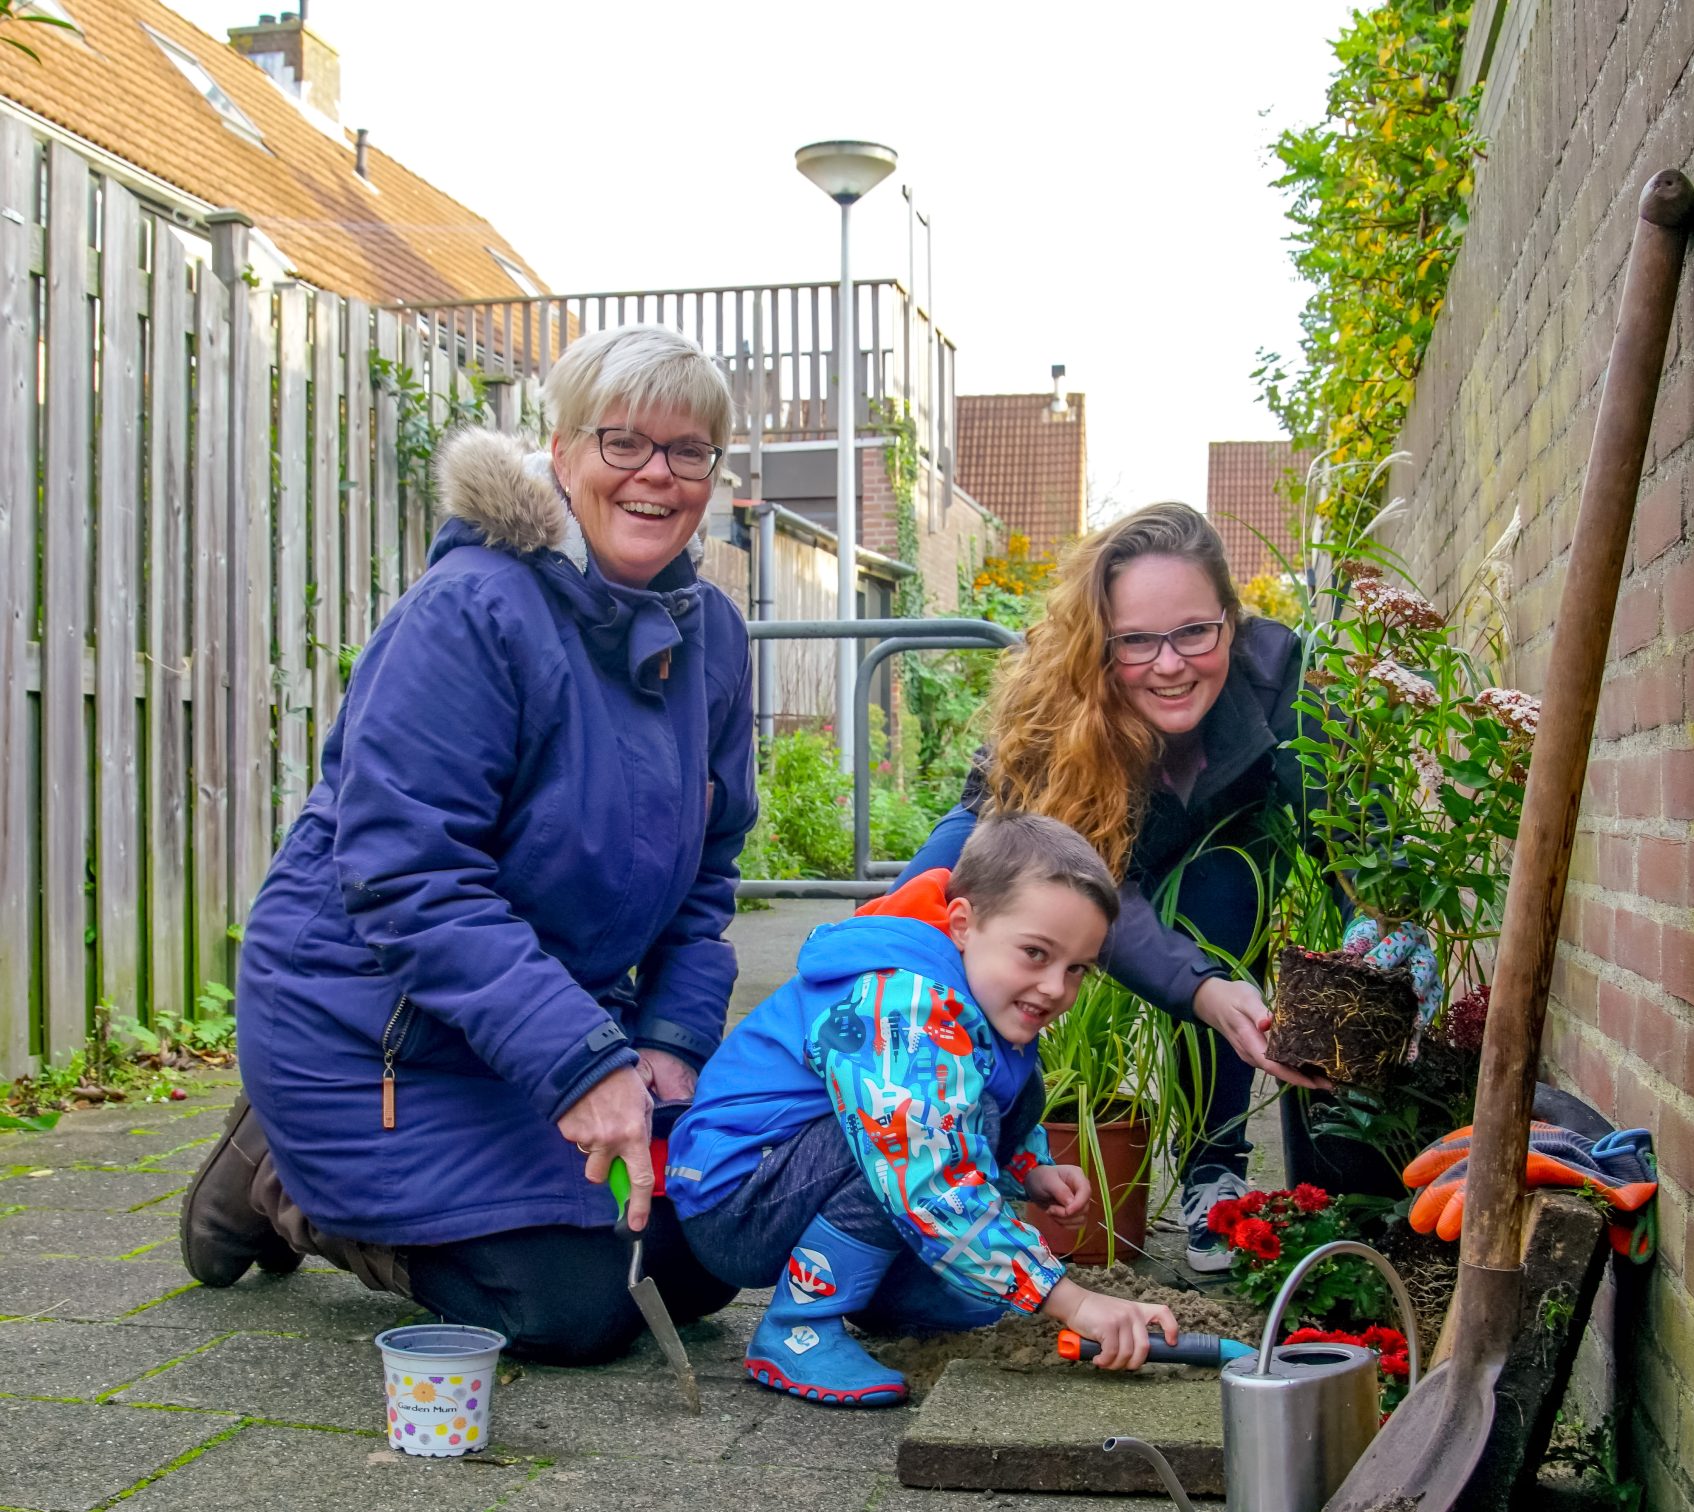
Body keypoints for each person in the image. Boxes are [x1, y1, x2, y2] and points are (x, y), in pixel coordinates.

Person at [180, 325, 756, 1364]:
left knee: (712, 1244)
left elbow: (707, 877)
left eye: (689, 451)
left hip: (531, 1029)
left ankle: (304, 1152)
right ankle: (284, 1177)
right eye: (621, 442)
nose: (656, 477)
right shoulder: (470, 612)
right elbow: (410, 879)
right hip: (370, 1026)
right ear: (562, 448)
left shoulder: (710, 634)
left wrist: (668, 1043)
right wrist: (583, 1068)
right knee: (574, 1309)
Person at [901, 503, 1333, 1275]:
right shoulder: (1066, 705)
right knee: (922, 921)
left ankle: (1214, 1168)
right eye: (1135, 641)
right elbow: (1091, 878)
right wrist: (1195, 990)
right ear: (1101, 645)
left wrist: (1375, 929)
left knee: (1221, 901)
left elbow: (1339, 829)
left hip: (1206, 857)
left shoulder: (1278, 678)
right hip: (1029, 828)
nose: (1168, 664)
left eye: (1194, 632)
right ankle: (931, 1159)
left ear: (1231, 623)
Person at [669, 813, 1180, 1406]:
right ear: (963, 924)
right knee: (919, 1137)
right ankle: (796, 1329)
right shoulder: (903, 1000)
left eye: (1076, 970)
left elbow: (976, 1103)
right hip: (738, 1197)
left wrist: (1029, 1170)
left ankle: (887, 1294)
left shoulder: (971, 989)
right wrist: (1072, 1300)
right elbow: (925, 1172)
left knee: (967, 1114)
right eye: (1036, 954)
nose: (1054, 988)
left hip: (787, 1178)